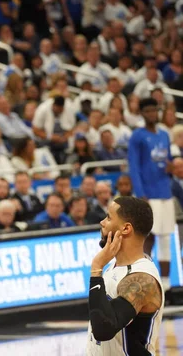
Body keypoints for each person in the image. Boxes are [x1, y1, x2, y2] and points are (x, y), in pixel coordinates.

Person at [86, 197, 164, 355]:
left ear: (126, 229)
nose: (102, 222)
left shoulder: (142, 279)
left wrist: (96, 269)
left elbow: (103, 329)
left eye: (108, 217)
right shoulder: (114, 266)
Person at [128, 98, 175, 296]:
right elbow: (134, 166)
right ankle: (146, 281)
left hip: (165, 191)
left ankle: (166, 285)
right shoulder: (137, 136)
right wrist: (141, 194)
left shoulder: (165, 135)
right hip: (149, 193)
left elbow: (168, 161)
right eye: (147, 111)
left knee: (166, 237)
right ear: (141, 113)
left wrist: (173, 167)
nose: (151, 114)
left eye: (154, 110)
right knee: (149, 237)